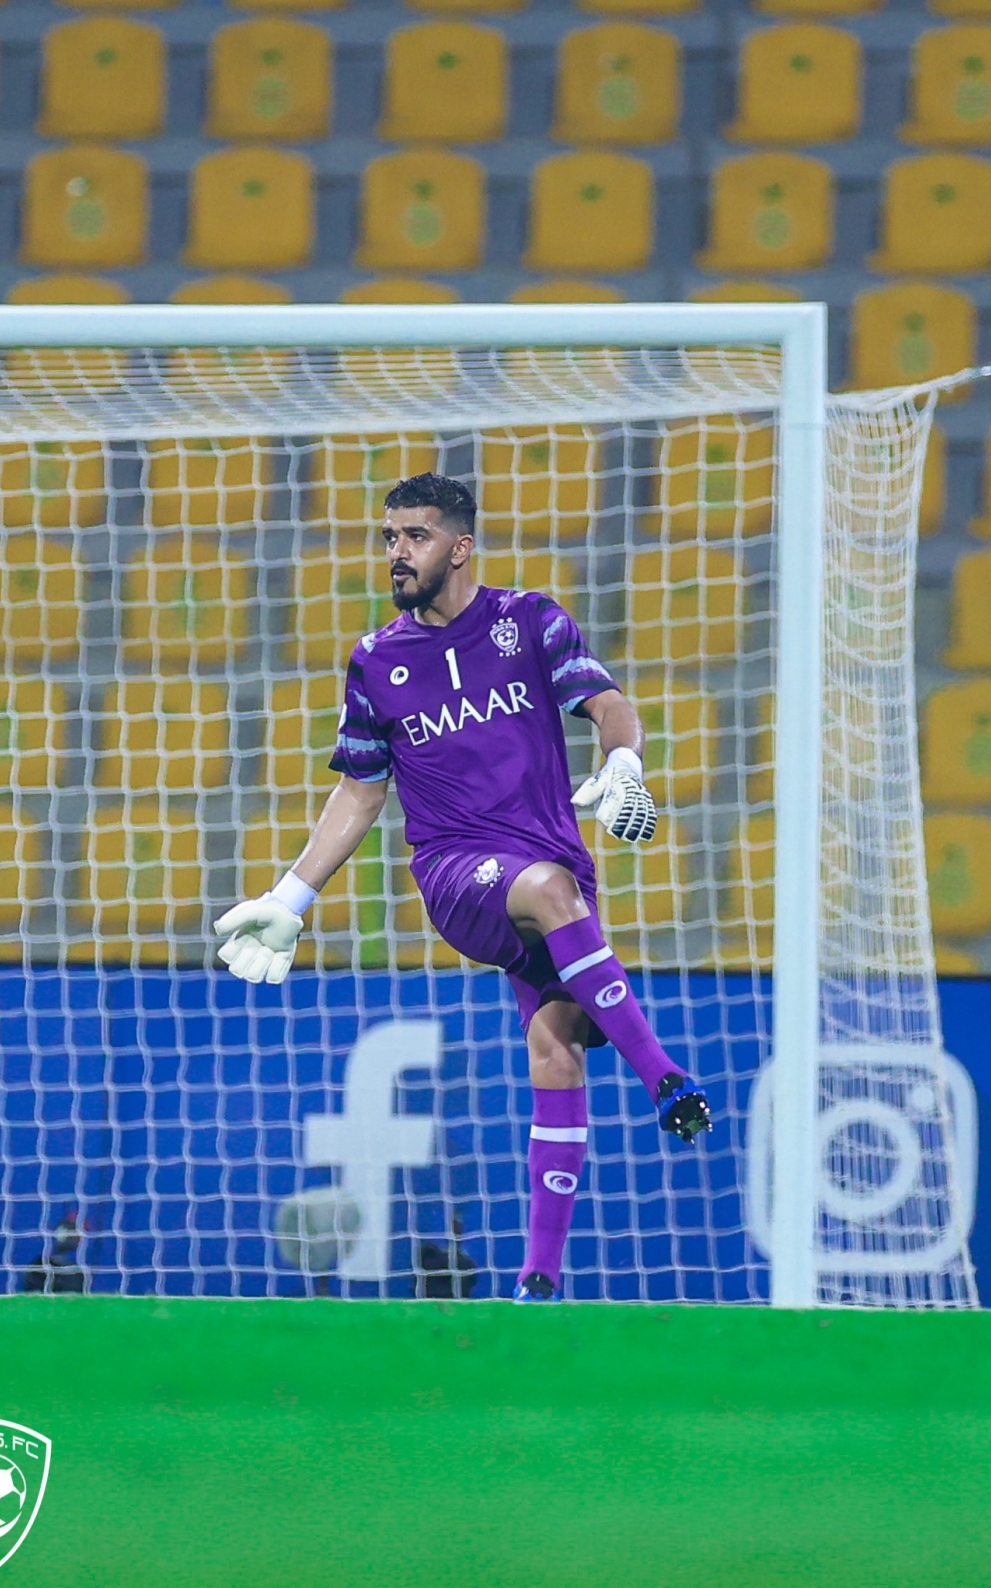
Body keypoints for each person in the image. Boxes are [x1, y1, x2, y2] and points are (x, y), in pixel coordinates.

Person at [212, 472, 710, 1304]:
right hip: (458, 872)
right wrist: (291, 896)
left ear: (460, 546)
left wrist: (624, 762)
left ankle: (538, 1281)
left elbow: (610, 704)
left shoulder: (529, 622)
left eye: (415, 537)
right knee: (549, 891)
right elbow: (361, 789)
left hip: (551, 862)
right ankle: (665, 1077)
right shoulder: (376, 662)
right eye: (390, 537)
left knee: (556, 1047)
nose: (397, 554)